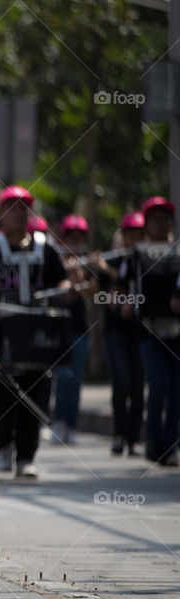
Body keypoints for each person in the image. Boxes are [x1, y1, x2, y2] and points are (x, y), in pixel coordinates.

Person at [0, 185, 70, 479]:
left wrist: (63, 292)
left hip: (36, 332)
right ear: (1, 213)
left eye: (24, 208)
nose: (18, 214)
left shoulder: (45, 248)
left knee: (37, 391)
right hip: (1, 331)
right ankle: (2, 446)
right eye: (12, 208)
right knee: (1, 391)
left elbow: (62, 280)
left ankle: (27, 456)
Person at [94, 211, 146, 456]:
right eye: (131, 233)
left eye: (139, 233)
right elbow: (100, 295)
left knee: (138, 386)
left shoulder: (146, 261)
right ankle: (119, 434)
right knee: (122, 382)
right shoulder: (113, 261)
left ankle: (134, 438)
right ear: (124, 236)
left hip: (140, 332)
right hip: (115, 332)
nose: (135, 238)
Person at [133, 197, 180, 466]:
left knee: (175, 391)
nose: (160, 224)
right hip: (149, 333)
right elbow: (124, 289)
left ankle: (170, 447)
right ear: (147, 224)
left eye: (165, 218)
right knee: (159, 384)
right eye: (155, 219)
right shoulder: (138, 255)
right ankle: (153, 443)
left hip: (176, 333)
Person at [50, 214, 99, 445]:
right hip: (59, 329)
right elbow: (64, 296)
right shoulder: (54, 263)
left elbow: (89, 295)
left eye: (80, 236)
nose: (76, 240)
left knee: (76, 379)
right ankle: (58, 421)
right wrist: (68, 275)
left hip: (80, 329)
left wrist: (78, 275)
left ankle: (72, 424)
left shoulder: (90, 265)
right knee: (61, 378)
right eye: (72, 236)